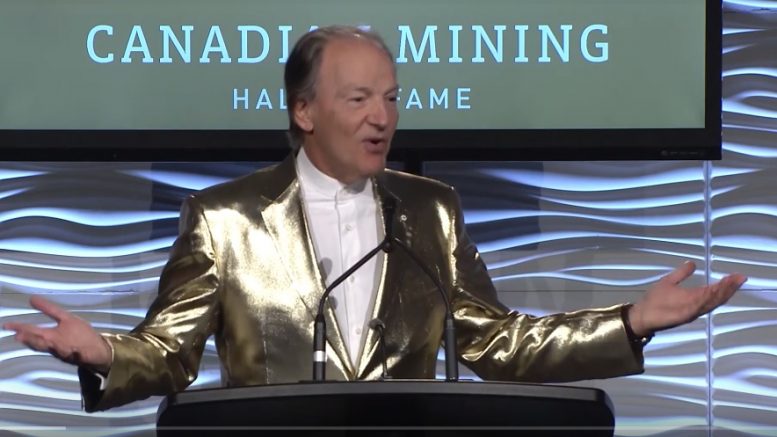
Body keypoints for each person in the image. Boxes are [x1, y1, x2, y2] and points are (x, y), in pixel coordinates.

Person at [3, 25, 746, 412]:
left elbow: (498, 344)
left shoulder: (429, 211)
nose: (380, 117)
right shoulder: (223, 217)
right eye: (358, 99)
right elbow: (168, 354)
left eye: (390, 98)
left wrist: (631, 322)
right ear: (303, 110)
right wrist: (103, 353)